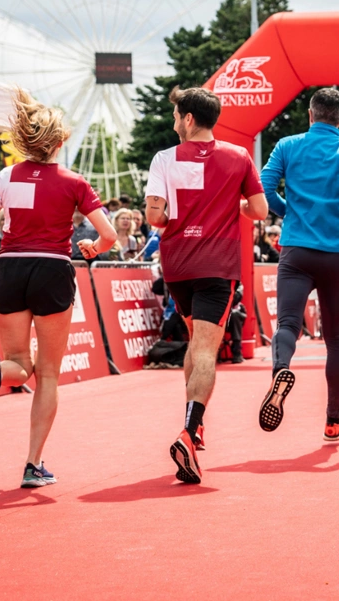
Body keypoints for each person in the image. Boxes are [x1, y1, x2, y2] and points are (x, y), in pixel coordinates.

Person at [0, 89, 116, 488]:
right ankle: (33, 464)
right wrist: (94, 247)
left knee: (18, 364)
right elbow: (109, 235)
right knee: (47, 374)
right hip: (52, 269)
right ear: (60, 142)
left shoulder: (5, 177)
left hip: (10, 268)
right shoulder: (74, 182)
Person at [144, 86, 267, 484]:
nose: (174, 124)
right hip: (217, 265)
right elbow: (260, 210)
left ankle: (194, 427)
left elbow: (155, 218)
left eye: (175, 116)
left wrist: (179, 218)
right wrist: (233, 203)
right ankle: (189, 429)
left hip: (178, 265)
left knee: (195, 343)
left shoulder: (164, 159)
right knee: (204, 351)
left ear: (189, 119)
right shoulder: (239, 156)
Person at [259, 88, 339, 440]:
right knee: (336, 338)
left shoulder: (287, 145)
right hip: (336, 255)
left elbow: (264, 187)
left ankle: (280, 370)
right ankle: (333, 418)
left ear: (310, 115)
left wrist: (288, 212)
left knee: (288, 323)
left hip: (296, 252)